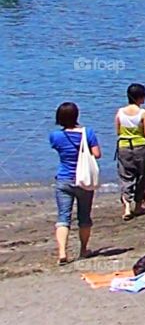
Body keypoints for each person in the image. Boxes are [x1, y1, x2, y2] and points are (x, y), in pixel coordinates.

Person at [49, 101, 102, 264]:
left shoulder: (55, 136)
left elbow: (58, 149)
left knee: (63, 217)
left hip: (64, 179)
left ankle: (62, 253)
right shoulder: (88, 133)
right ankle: (83, 249)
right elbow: (97, 154)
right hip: (84, 180)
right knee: (84, 217)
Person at [115, 83, 145, 220]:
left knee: (125, 176)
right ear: (139, 97)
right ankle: (138, 205)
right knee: (142, 176)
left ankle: (127, 207)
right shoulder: (143, 113)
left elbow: (118, 131)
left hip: (123, 146)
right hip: (140, 147)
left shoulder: (120, 112)